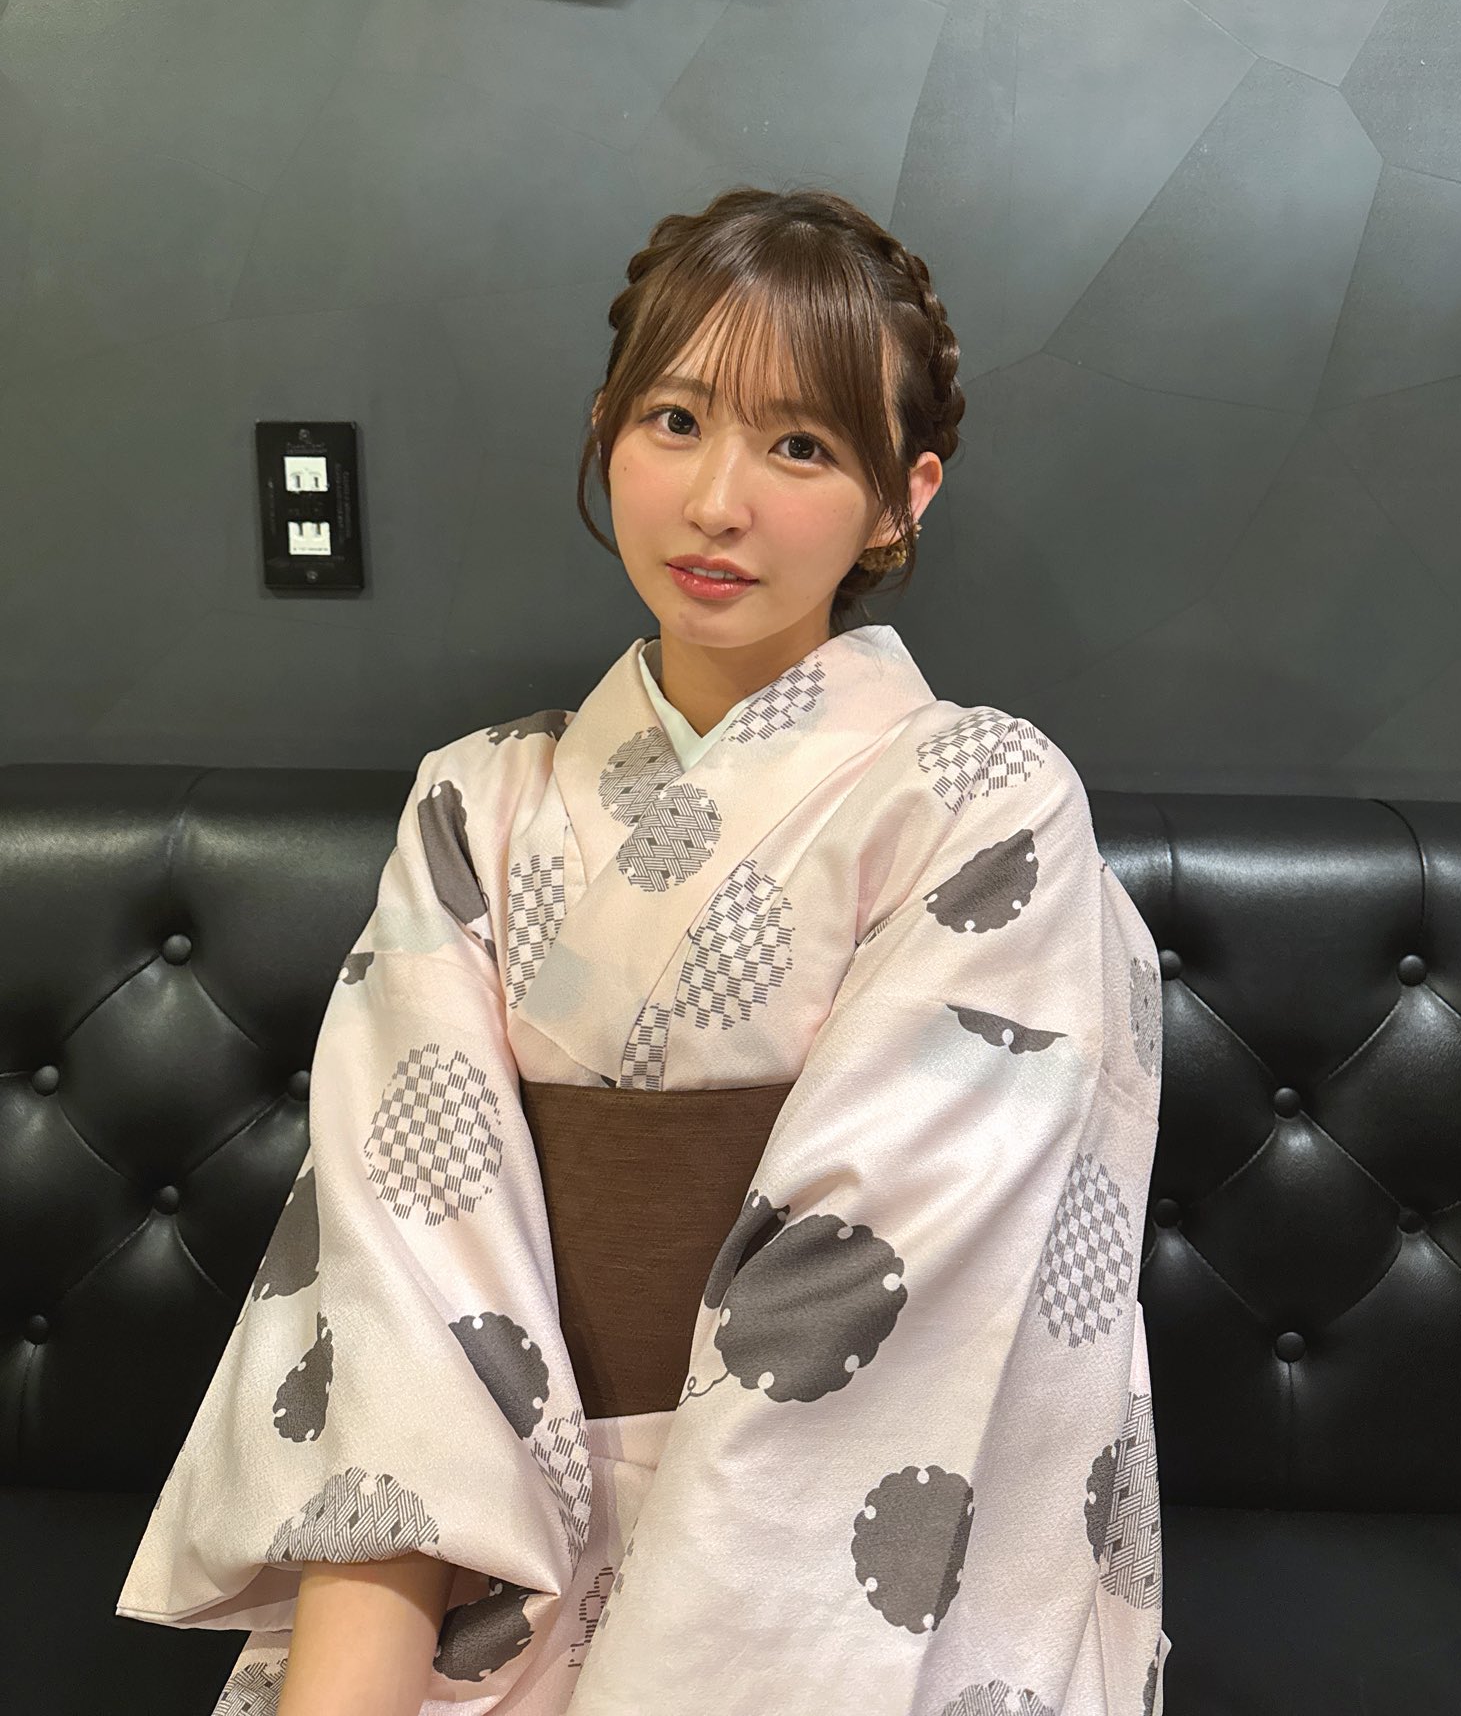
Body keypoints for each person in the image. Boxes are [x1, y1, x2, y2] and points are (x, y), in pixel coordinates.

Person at [118, 186, 1170, 1716]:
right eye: (675, 422)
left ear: (903, 498)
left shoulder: (982, 800)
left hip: (834, 1565)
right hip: (505, 1523)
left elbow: (875, 1305)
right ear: (607, 432)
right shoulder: (477, 801)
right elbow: (405, 1276)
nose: (717, 502)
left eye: (801, 446)